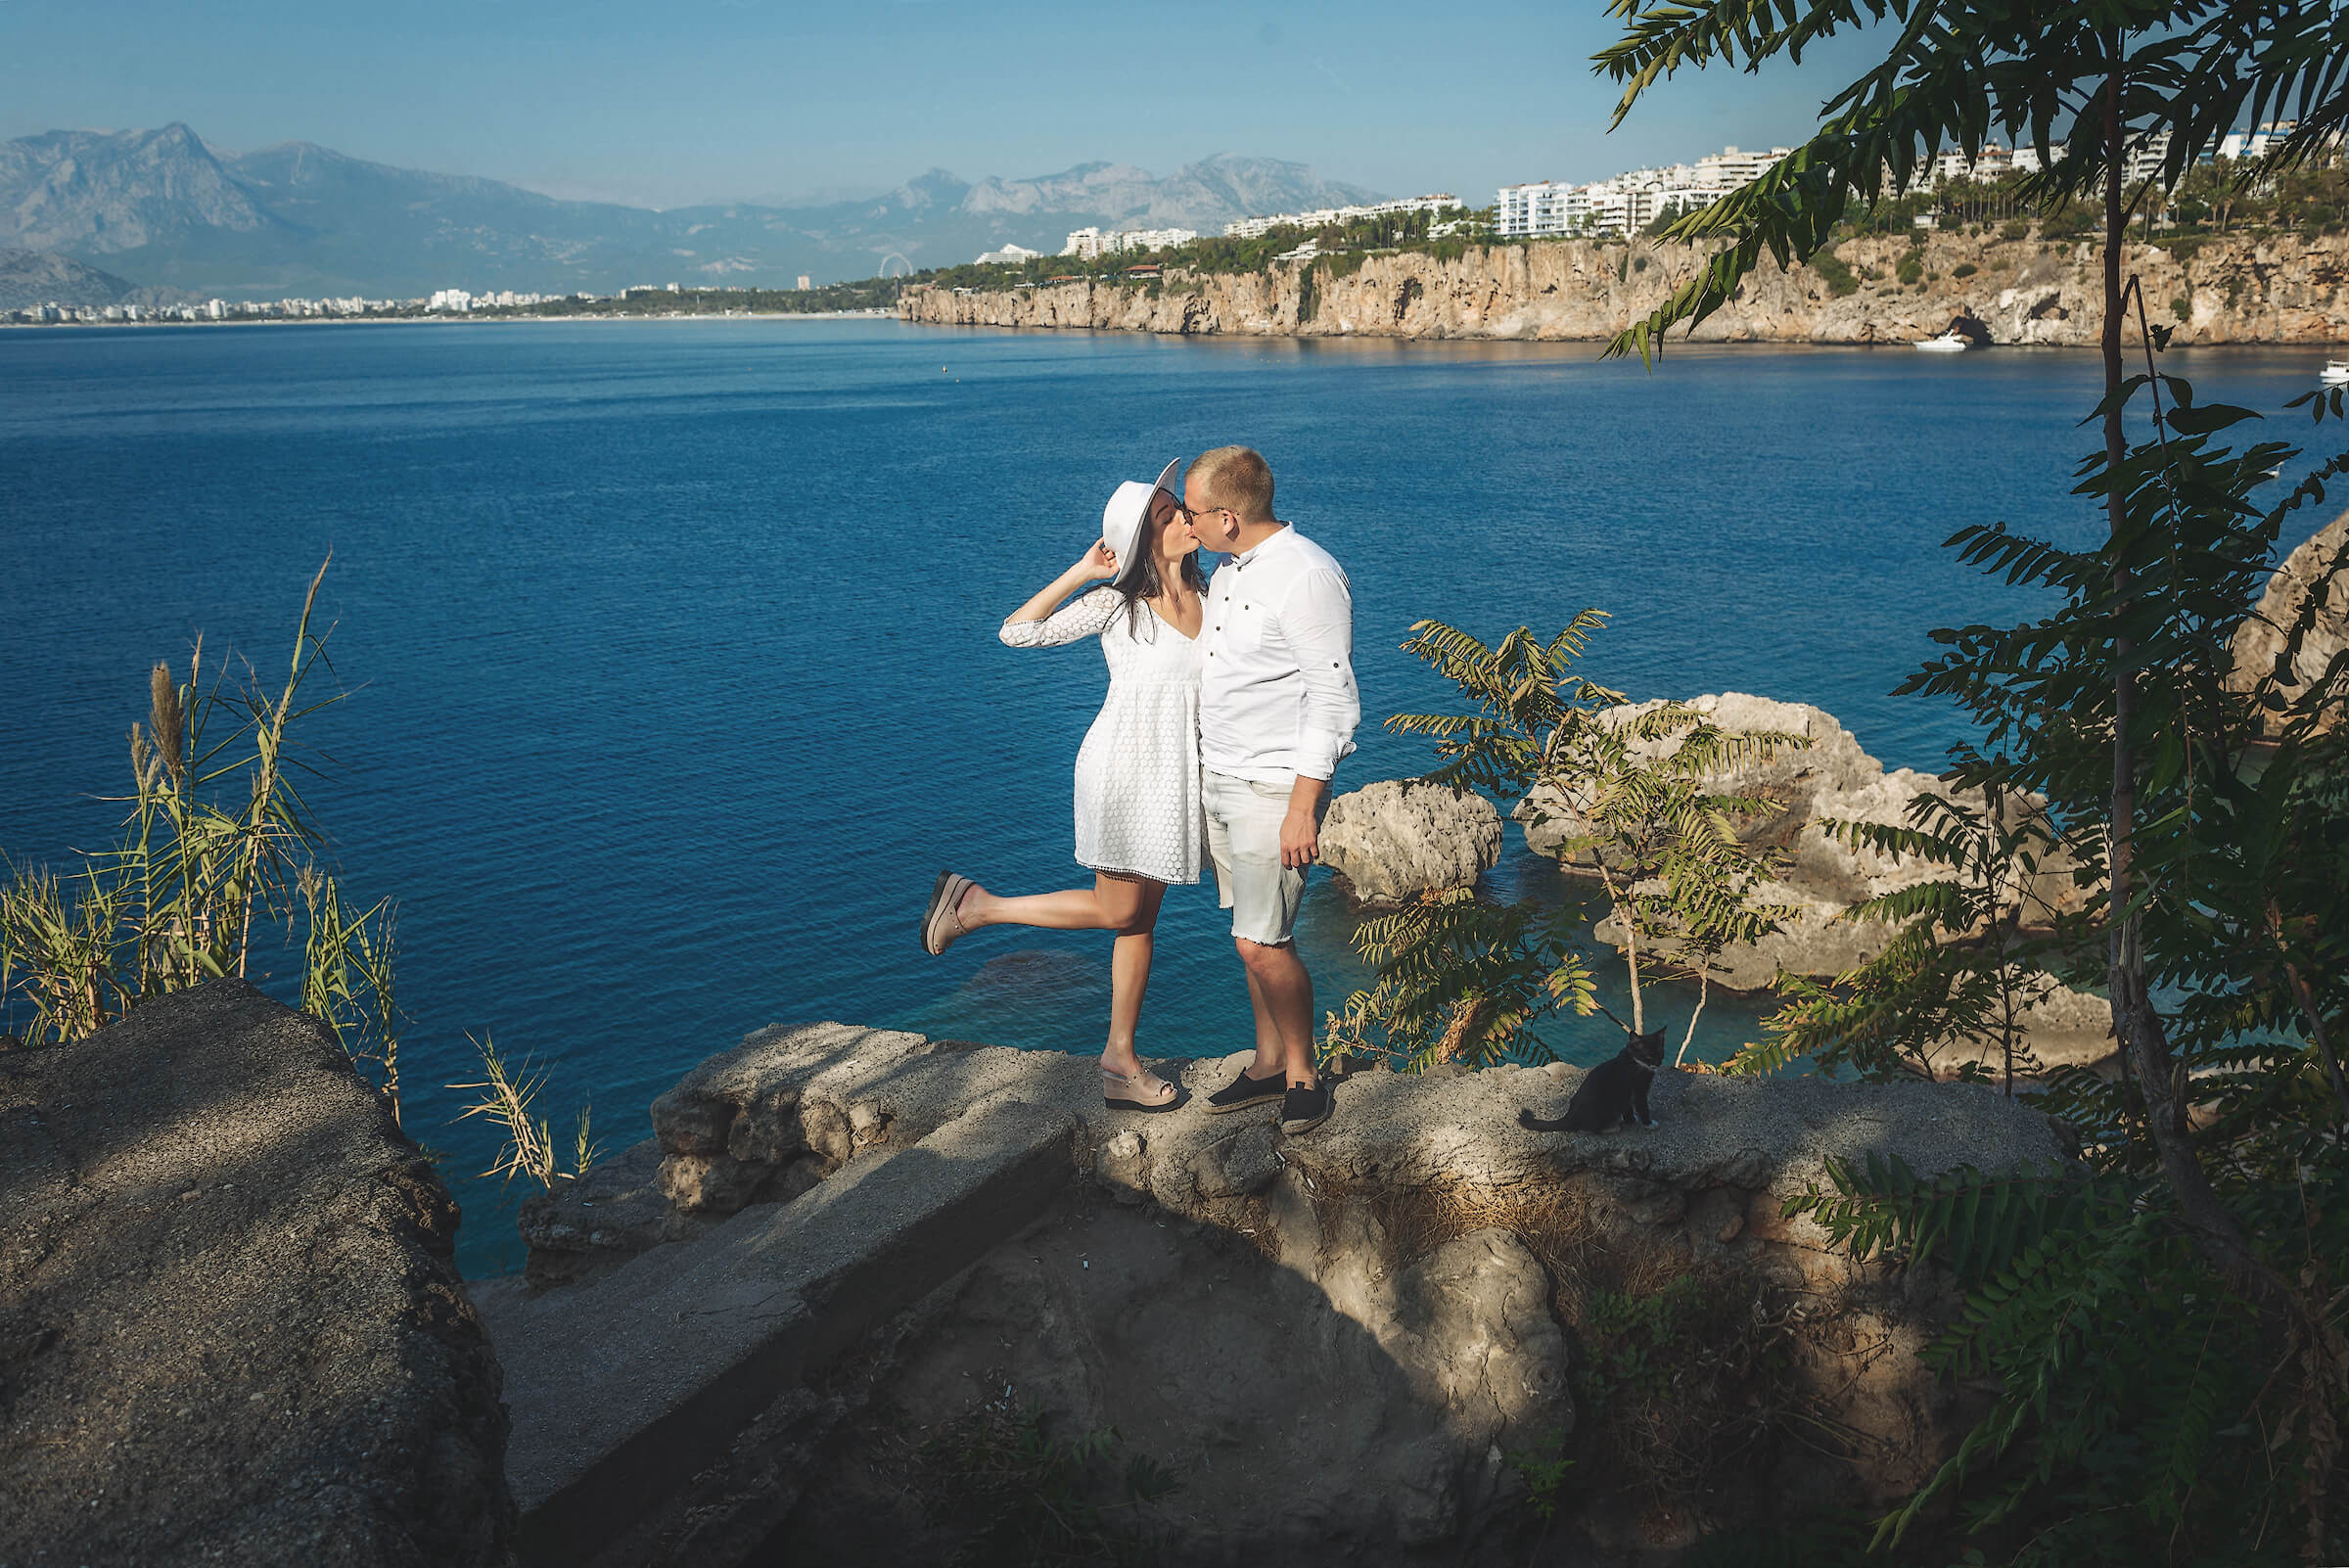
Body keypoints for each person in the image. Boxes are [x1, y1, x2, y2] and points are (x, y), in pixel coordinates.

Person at [918, 460, 1205, 1112]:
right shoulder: (1116, 605)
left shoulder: (1219, 602)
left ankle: (1119, 1061)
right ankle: (978, 907)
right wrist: (1083, 570)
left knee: (1139, 922)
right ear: (1143, 544)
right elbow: (1018, 632)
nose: (1185, 518)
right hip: (1124, 772)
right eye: (1169, 516)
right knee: (1119, 911)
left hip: (1178, 777)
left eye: (1178, 508)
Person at [1181, 445, 1359, 1136]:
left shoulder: (1306, 575)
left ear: (1228, 516)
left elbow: (1334, 700)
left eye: (1193, 514)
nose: (1186, 525)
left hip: (1271, 789)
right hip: (1220, 778)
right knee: (1245, 935)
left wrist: (1301, 808)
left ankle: (1303, 1075)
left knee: (1265, 942)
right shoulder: (1228, 571)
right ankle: (1264, 1063)